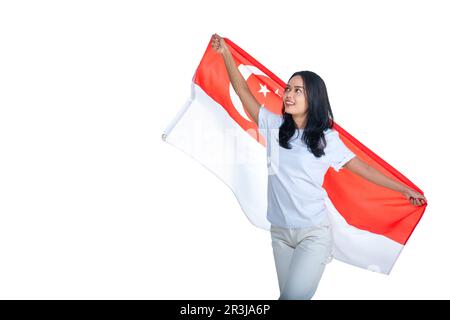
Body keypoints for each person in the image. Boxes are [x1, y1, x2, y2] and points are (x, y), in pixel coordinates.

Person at [210, 33, 427, 300]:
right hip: (279, 233)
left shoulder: (326, 140)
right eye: (288, 89)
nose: (288, 94)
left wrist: (403, 189)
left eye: (297, 90)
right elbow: (243, 91)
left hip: (312, 235)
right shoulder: (275, 126)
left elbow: (365, 170)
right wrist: (226, 55)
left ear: (313, 98)